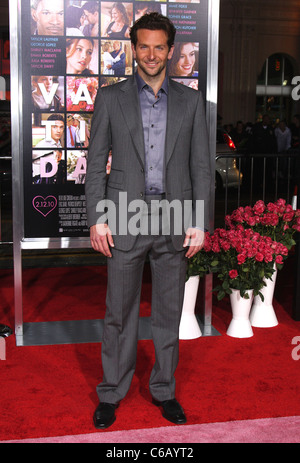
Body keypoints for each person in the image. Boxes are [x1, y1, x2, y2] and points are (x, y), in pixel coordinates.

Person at [85, 13, 211, 430]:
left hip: (174, 217)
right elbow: (94, 166)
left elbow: (200, 166)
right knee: (118, 312)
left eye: (160, 47)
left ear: (170, 50)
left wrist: (198, 220)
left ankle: (164, 390)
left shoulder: (192, 102)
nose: (152, 54)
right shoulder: (110, 97)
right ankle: (111, 392)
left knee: (167, 311)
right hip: (122, 215)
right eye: (144, 46)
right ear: (133, 48)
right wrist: (98, 218)